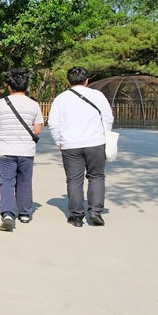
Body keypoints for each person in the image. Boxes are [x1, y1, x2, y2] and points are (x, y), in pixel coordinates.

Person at [47, 67, 114, 227]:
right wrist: (105, 135)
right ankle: (95, 212)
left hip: (70, 144)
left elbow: (53, 123)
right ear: (87, 80)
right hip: (95, 142)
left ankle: (76, 216)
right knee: (96, 177)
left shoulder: (61, 99)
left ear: (68, 81)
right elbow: (108, 118)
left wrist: (59, 141)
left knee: (74, 179)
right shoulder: (98, 96)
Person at [0, 69, 43, 232]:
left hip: (6, 149)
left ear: (9, 86)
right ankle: (25, 213)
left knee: (6, 181)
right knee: (25, 181)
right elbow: (38, 129)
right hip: (26, 149)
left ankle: (7, 214)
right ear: (26, 86)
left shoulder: (0, 103)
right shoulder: (33, 105)